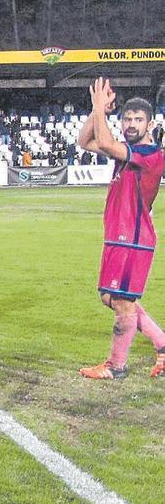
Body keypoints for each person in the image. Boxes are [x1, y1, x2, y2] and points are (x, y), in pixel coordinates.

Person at [76, 78, 165, 380]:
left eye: (138, 119)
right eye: (127, 118)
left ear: (150, 124)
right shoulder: (125, 150)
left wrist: (101, 109)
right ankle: (163, 345)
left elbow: (102, 142)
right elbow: (85, 141)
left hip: (134, 237)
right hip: (119, 235)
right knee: (109, 297)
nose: (131, 123)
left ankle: (116, 366)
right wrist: (95, 111)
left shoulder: (150, 154)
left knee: (123, 302)